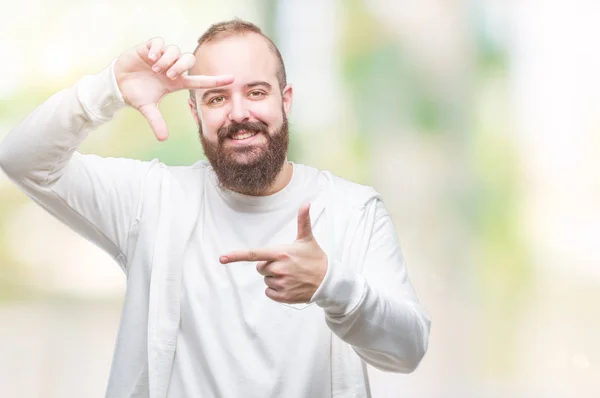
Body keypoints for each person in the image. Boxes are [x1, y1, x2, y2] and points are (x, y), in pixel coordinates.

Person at [0, 19, 430, 398]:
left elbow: (408, 350)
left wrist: (331, 284)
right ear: (195, 111)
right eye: (216, 97)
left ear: (287, 100)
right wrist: (108, 88)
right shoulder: (153, 200)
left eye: (256, 92)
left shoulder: (354, 212)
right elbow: (22, 158)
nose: (239, 113)